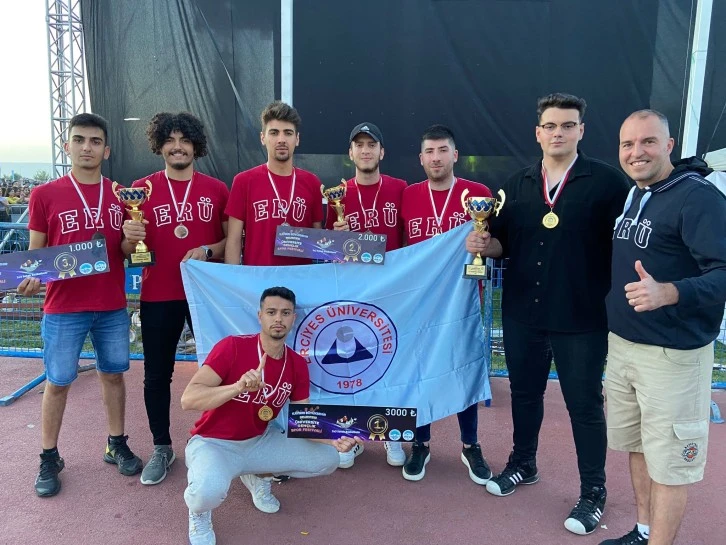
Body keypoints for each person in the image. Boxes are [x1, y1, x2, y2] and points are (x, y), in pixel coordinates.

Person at [466, 93, 630, 535]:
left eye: (567, 125)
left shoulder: (609, 183)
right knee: (524, 394)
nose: (558, 133)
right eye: (551, 126)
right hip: (523, 313)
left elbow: (628, 243)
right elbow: (500, 243)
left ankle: (593, 491)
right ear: (538, 133)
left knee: (584, 406)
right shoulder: (516, 184)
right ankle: (524, 463)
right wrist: (483, 243)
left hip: (582, 318)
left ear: (581, 130)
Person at [601, 110, 726, 545]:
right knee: (638, 447)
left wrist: (670, 292)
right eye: (627, 144)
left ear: (669, 145)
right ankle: (644, 531)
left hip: (672, 357)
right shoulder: (637, 194)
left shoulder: (698, 197)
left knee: (671, 464)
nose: (636, 152)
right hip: (625, 347)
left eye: (648, 142)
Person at [18, 113, 142, 497]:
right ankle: (49, 456)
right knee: (57, 382)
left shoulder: (121, 195)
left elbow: (126, 252)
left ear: (107, 150)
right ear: (66, 145)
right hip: (63, 307)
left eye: (95, 141)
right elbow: (36, 254)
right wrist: (30, 278)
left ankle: (116, 443)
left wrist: (132, 236)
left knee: (113, 375)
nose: (87, 147)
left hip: (110, 304)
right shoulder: (44, 194)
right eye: (79, 140)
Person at [181, 286, 361, 545]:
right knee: (206, 492)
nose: (278, 319)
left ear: (293, 319)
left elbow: (303, 419)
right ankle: (199, 512)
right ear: (260, 316)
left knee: (329, 459)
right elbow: (189, 399)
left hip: (259, 441)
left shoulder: (297, 363)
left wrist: (334, 439)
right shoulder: (233, 346)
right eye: (271, 312)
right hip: (214, 443)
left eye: (285, 313)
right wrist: (237, 387)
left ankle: (259, 475)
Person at [121, 112, 229, 486]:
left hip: (206, 297)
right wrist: (129, 236)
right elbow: (126, 251)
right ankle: (162, 447)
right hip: (159, 294)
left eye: (184, 140)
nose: (177, 146)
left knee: (221, 371)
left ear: (195, 145)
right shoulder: (140, 189)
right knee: (156, 374)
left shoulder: (217, 189)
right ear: (160, 146)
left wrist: (207, 251)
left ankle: (223, 442)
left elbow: (232, 242)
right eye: (170, 140)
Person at [399, 124, 492, 484]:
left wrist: (486, 244)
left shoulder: (478, 194)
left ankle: (470, 445)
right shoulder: (408, 195)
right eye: (429, 151)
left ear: (455, 154)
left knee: (463, 370)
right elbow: (400, 251)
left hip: (462, 301)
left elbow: (495, 243)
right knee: (419, 373)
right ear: (421, 158)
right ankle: (420, 443)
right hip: (420, 305)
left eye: (442, 150)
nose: (436, 158)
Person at [326, 121, 408, 468]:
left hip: (391, 291)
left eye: (371, 144)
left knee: (391, 363)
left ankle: (389, 433)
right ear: (350, 153)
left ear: (381, 152)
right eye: (359, 145)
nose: (365, 150)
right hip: (351, 292)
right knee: (351, 365)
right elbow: (323, 250)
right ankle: (352, 438)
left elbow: (409, 238)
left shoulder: (401, 188)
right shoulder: (336, 193)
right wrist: (337, 235)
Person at [224, 101, 323, 265]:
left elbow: (318, 240)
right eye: (274, 133)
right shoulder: (243, 181)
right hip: (257, 277)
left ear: (297, 139)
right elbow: (234, 241)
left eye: (288, 133)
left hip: (300, 277)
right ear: (263, 138)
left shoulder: (312, 182)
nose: (281, 140)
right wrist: (232, 278)